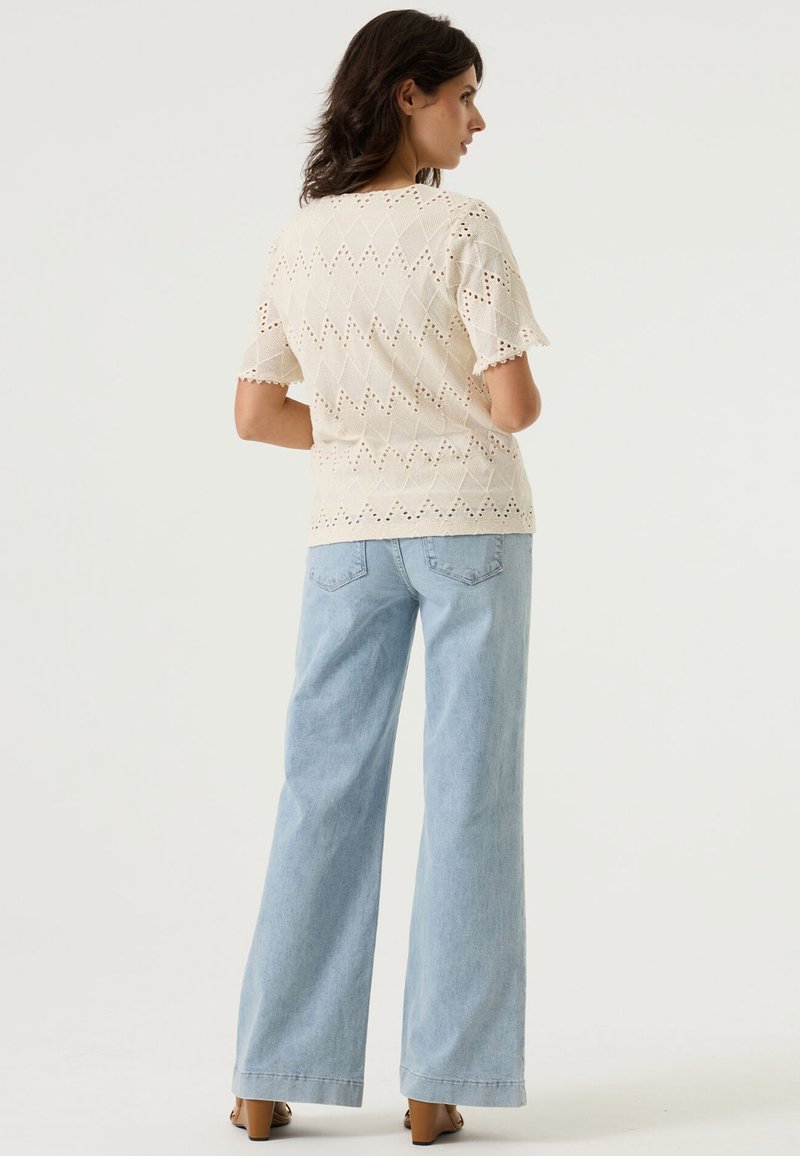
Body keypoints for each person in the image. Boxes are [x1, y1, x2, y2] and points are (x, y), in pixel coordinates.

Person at [228, 8, 551, 1145]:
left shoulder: (299, 238)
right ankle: (435, 1085)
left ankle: (266, 1075)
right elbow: (514, 406)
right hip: (470, 525)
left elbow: (255, 413)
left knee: (321, 789)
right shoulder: (462, 227)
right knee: (469, 793)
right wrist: (437, 417)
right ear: (406, 95)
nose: (476, 120)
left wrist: (368, 428)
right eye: (462, 95)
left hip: (347, 537)